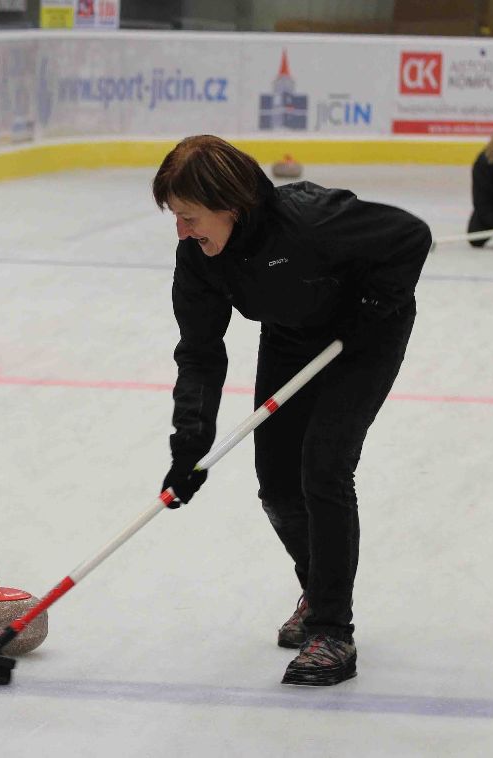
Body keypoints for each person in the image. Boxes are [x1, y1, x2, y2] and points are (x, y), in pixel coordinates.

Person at [153, 135, 432, 687]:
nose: (181, 231)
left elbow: (410, 237)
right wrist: (190, 446)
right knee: (278, 484)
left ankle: (332, 631)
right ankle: (317, 590)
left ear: (229, 206)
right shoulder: (199, 259)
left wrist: (376, 304)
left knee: (324, 467)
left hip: (365, 336)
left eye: (189, 217)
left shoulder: (311, 220)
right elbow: (200, 353)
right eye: (176, 218)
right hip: (292, 336)